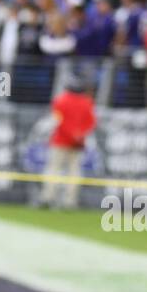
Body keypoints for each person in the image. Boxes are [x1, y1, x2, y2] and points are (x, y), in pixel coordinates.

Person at [40, 73, 96, 210]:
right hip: (77, 143)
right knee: (74, 172)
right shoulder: (87, 102)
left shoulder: (60, 100)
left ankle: (48, 198)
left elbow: (57, 121)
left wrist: (71, 134)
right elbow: (91, 122)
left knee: (53, 170)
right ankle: (69, 202)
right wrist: (79, 134)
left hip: (60, 141)